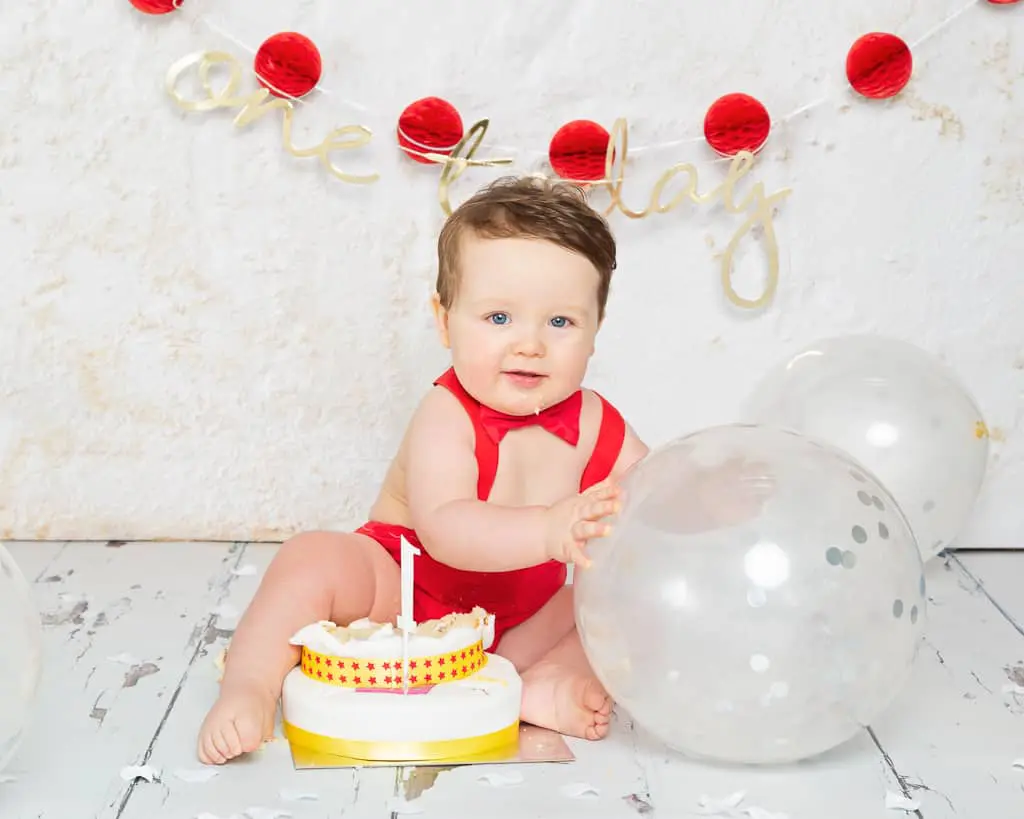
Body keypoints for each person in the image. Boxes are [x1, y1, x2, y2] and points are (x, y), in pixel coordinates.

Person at [197, 175, 650, 765]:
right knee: (312, 557)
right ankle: (251, 684)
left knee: (616, 591)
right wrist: (548, 530)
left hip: (518, 621)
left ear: (595, 331)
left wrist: (700, 505)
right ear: (444, 321)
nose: (530, 345)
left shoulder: (596, 420)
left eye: (560, 322)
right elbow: (446, 528)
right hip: (402, 591)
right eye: (498, 318)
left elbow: (653, 499)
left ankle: (543, 682)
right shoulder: (447, 413)